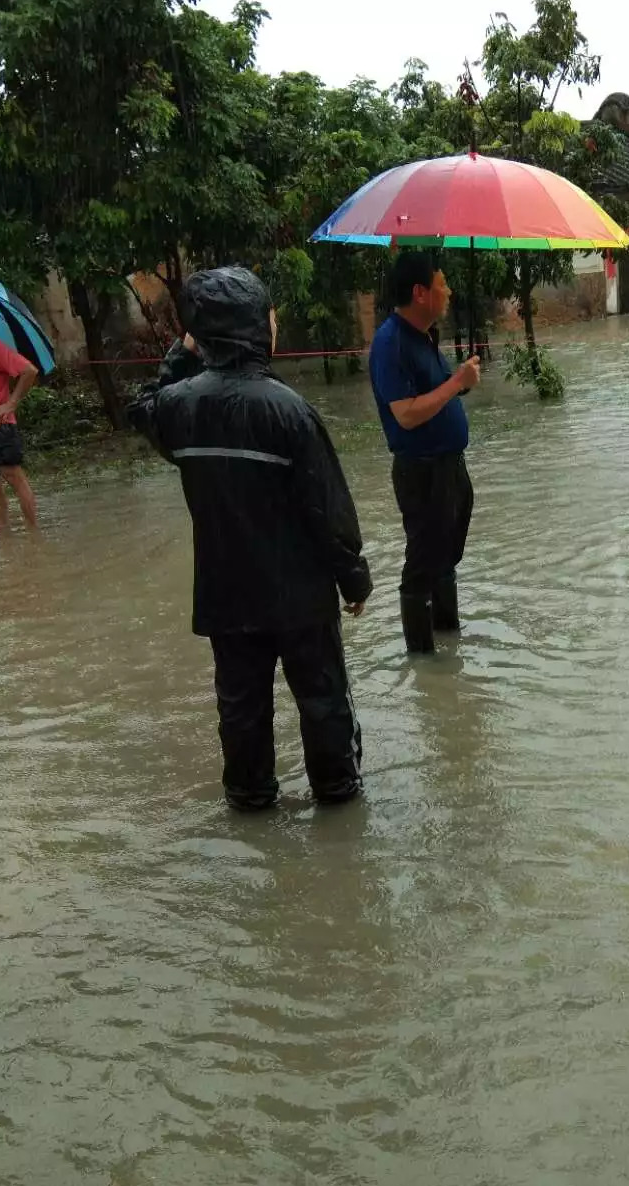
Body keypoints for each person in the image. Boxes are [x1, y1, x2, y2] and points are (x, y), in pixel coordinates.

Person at [127, 266, 372, 812]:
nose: (275, 323)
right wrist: (353, 578)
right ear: (258, 328)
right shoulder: (288, 409)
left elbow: (142, 406)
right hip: (300, 595)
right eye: (270, 315)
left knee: (241, 707)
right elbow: (327, 508)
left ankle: (250, 799)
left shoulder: (179, 408)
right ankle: (337, 796)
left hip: (226, 593)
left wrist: (182, 350)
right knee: (323, 700)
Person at [368, 252, 480, 654]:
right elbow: (407, 415)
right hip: (422, 472)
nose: (448, 291)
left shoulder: (425, 336)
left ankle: (449, 645)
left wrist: (460, 382)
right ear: (420, 293)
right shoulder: (389, 343)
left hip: (450, 467)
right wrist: (455, 384)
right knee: (422, 565)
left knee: (445, 558)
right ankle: (423, 659)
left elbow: (435, 393)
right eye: (441, 284)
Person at [0, 328, 39, 535]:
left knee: (13, 476)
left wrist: (11, 404)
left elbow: (29, 371)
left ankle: (34, 534)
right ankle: (4, 538)